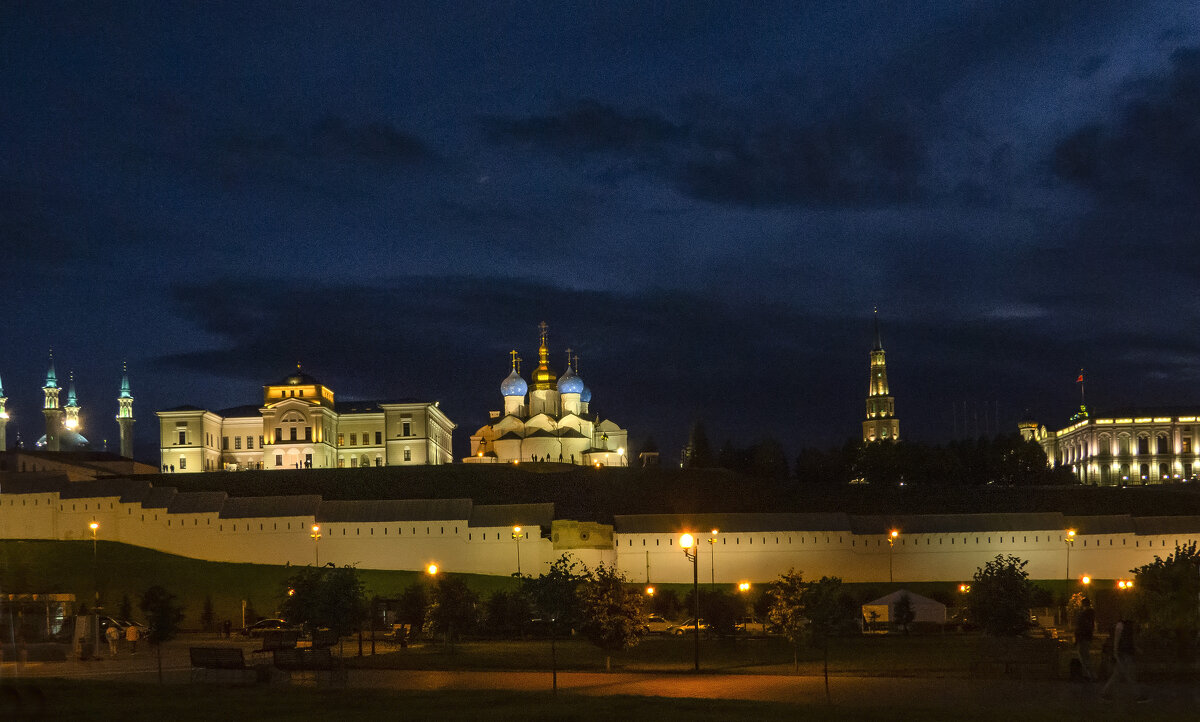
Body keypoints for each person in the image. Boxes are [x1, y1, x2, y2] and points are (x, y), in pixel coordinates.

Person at [1102, 618, 1149, 702]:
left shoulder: (1125, 625)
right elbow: (1118, 639)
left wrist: (1135, 648)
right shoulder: (1122, 625)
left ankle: (1105, 693)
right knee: (1129, 675)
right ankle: (1138, 695)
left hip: (1124, 653)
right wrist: (1115, 652)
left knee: (1117, 675)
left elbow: (1127, 640)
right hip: (1123, 653)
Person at [1074, 597, 1096, 681]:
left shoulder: (1084, 614)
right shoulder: (1091, 613)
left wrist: (1077, 637)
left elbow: (1081, 626)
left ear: (1083, 604)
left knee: (1084, 656)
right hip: (1087, 636)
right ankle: (1089, 674)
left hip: (1082, 637)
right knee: (1086, 655)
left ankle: (1089, 674)